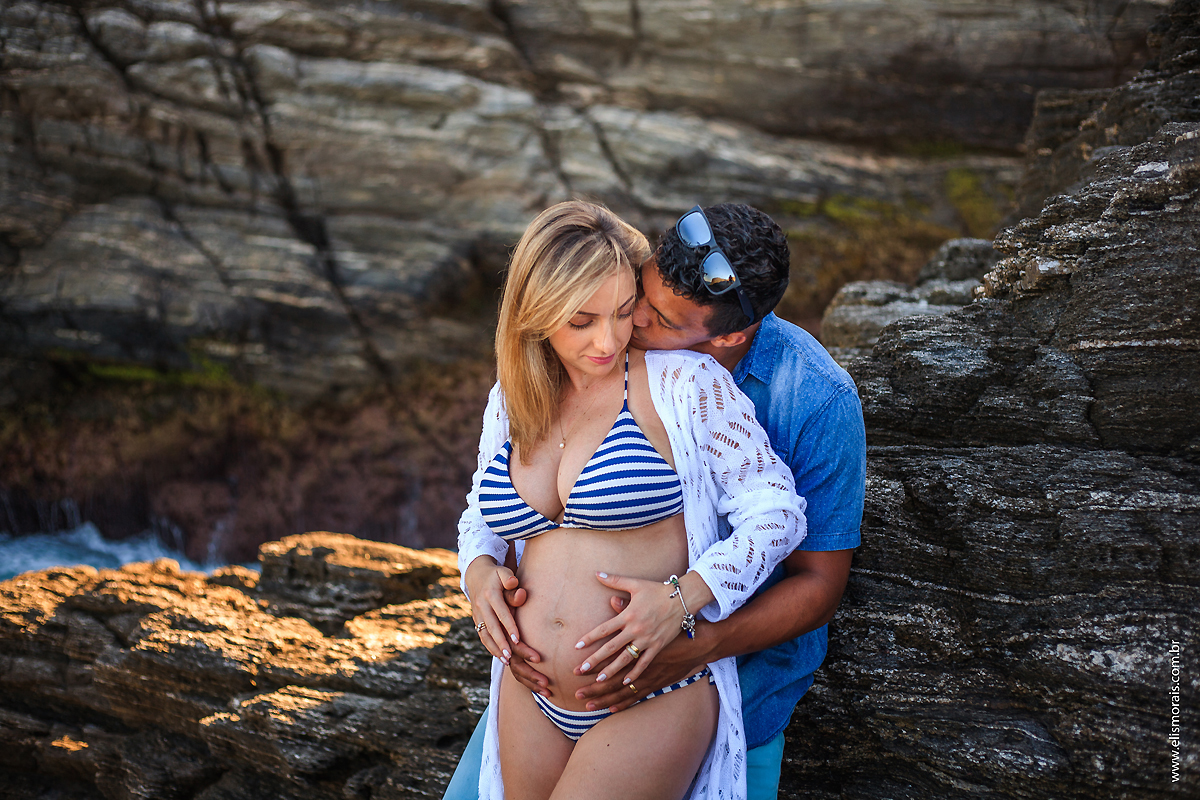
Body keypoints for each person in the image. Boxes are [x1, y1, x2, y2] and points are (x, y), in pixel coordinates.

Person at [456, 200, 808, 800]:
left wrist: (683, 599)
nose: (609, 338)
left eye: (623, 312)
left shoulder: (685, 385)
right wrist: (478, 573)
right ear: (535, 314)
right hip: (530, 690)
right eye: (581, 320)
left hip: (652, 693)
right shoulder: (512, 398)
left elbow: (776, 511)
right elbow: (477, 515)